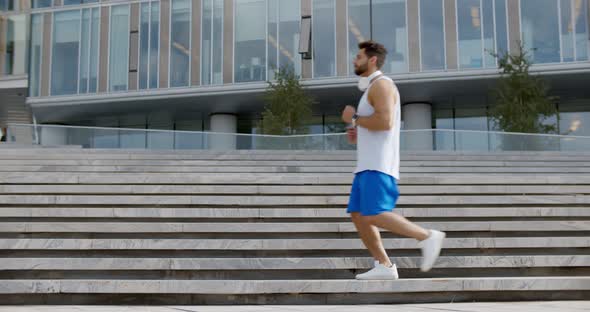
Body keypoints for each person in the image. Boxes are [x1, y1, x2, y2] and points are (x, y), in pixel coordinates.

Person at [341, 41, 445, 280]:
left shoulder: (382, 85)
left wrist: (354, 117)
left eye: (358, 56)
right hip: (366, 165)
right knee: (358, 214)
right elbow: (374, 125)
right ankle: (384, 266)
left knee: (374, 213)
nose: (354, 60)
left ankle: (427, 236)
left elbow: (386, 122)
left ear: (372, 60)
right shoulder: (370, 89)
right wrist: (357, 130)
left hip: (378, 164)